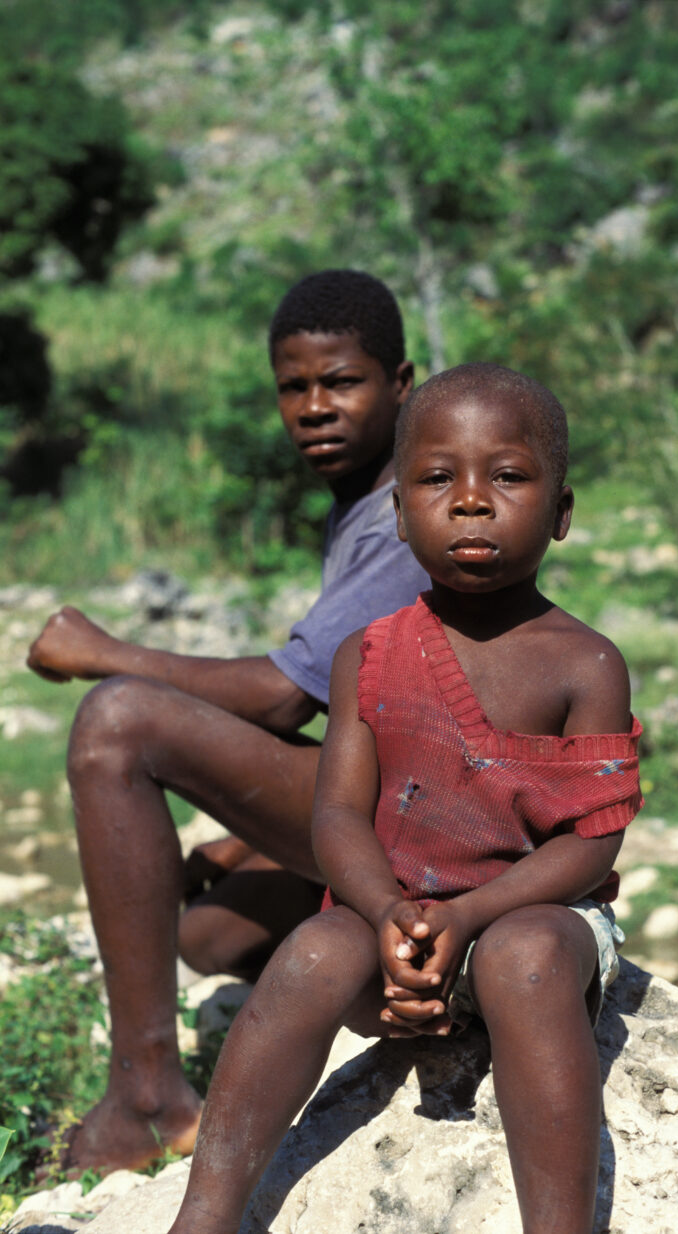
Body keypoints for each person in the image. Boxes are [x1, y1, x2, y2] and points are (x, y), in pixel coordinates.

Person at [166, 362, 644, 1234]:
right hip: (398, 921)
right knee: (312, 953)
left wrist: (471, 917)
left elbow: (591, 842)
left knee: (524, 957)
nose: (470, 500)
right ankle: (203, 1217)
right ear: (397, 512)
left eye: (507, 475)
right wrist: (387, 912)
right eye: (434, 478)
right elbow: (339, 816)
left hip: (533, 918)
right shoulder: (369, 654)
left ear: (562, 511)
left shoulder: (586, 662)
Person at [25, 269, 429, 1177]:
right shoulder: (363, 505)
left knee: (116, 721)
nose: (315, 407)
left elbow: (288, 697)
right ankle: (379, 988)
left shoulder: (410, 511)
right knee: (207, 934)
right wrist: (245, 849)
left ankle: (145, 1102)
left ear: (401, 385)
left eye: (343, 381)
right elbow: (379, 722)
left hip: (434, 827)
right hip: (399, 802)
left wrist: (103, 652)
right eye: (295, 387)